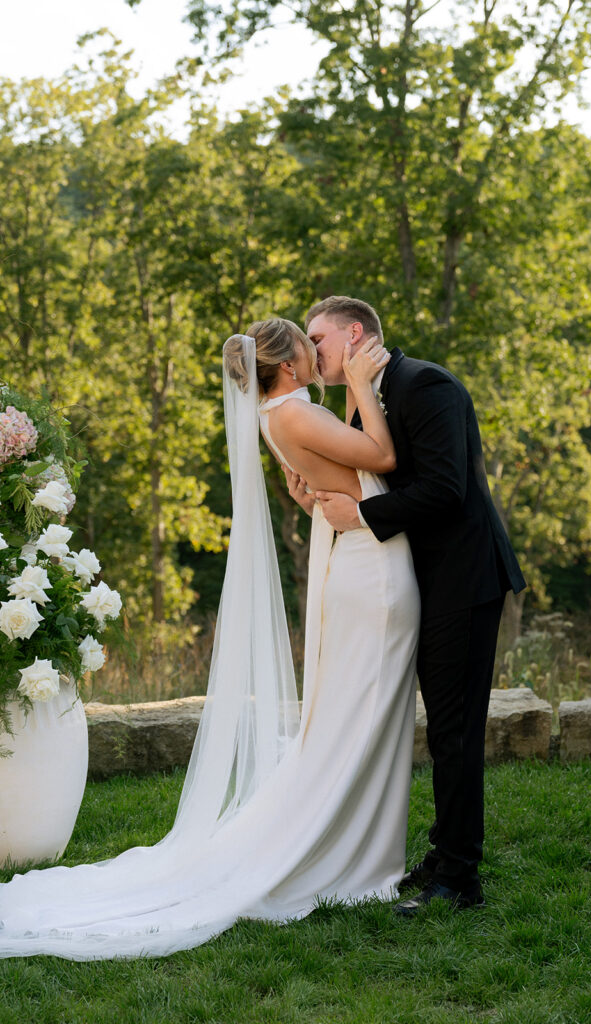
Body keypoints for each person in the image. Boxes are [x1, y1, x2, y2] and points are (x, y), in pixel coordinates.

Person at [0, 319, 421, 960]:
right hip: (369, 564)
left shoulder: (289, 411)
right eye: (308, 342)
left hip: (360, 553)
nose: (318, 351)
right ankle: (348, 852)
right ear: (285, 362)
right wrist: (363, 386)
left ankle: (360, 844)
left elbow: (332, 475)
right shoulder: (293, 413)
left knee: (360, 713)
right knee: (360, 714)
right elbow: (384, 459)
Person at [293, 296, 526, 916]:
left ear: (354, 332)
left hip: (464, 577)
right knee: (440, 724)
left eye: (317, 340)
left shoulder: (426, 384)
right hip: (418, 578)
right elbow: (381, 477)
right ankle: (444, 851)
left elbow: (446, 490)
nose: (311, 353)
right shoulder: (366, 395)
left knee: (453, 728)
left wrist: (364, 515)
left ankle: (459, 877)